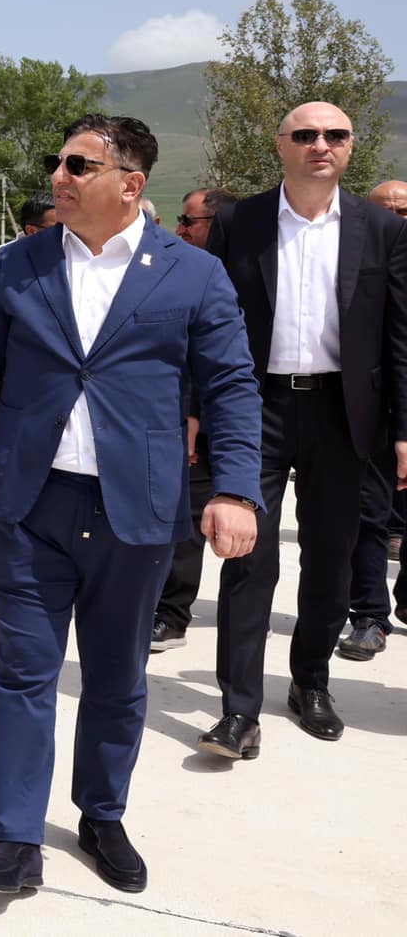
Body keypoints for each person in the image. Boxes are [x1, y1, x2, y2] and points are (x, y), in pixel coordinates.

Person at [0, 114, 261, 896]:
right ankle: (15, 836)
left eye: (79, 165)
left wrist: (235, 489)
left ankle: (101, 813)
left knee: (116, 678)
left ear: (130, 183)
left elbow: (229, 386)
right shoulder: (19, 263)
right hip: (31, 502)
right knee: (24, 671)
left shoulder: (192, 273)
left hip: (135, 510)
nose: (59, 176)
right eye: (59, 162)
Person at [204, 101, 407, 754]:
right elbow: (206, 321)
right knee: (247, 558)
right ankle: (239, 710)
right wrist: (194, 410)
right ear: (282, 144)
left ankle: (310, 682)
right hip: (253, 408)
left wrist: (403, 428)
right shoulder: (239, 222)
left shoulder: (382, 229)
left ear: (350, 146)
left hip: (344, 414)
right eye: (306, 134)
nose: (321, 144)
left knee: (331, 558)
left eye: (335, 135)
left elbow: (400, 337)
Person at [150, 187, 241, 652]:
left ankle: (238, 617)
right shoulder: (177, 271)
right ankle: (170, 613)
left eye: (189, 221)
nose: (179, 229)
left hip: (234, 418)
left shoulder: (238, 274)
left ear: (218, 224)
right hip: (186, 416)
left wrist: (195, 413)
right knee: (184, 516)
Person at [335, 179, 407, 660]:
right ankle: (370, 615)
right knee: (369, 514)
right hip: (373, 409)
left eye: (405, 211)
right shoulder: (359, 263)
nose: (397, 219)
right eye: (387, 210)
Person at [0, 194, 57, 287]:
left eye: (66, 227)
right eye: (57, 229)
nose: (64, 233)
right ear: (31, 231)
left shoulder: (67, 258)